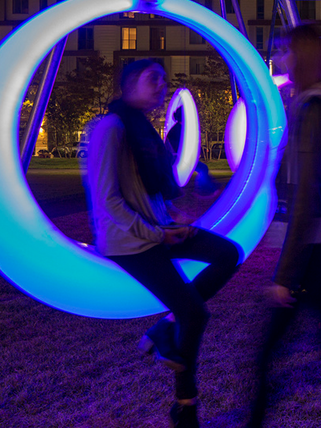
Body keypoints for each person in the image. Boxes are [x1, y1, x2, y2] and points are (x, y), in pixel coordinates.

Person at [86, 59, 242, 428]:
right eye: (153, 79)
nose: (161, 86)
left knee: (227, 253)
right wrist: (158, 233)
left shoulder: (142, 128)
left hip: (156, 228)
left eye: (164, 80)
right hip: (129, 242)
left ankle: (164, 326)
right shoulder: (111, 128)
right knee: (195, 313)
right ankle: (185, 406)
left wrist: (170, 216)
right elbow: (107, 200)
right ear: (128, 85)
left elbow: (147, 188)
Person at [249, 24, 321, 428]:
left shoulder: (313, 109)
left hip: (312, 250)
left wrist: (286, 275)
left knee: (265, 356)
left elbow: (307, 196)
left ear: (303, 57)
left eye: (284, 51)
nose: (279, 60)